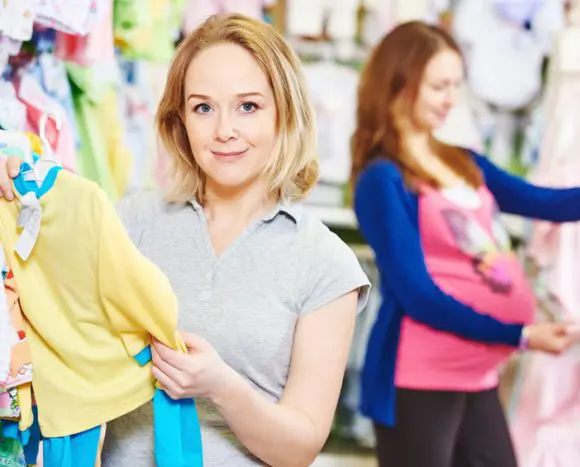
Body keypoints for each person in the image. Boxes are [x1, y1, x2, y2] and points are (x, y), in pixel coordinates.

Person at [0, 13, 370, 467]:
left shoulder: (325, 263)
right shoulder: (131, 221)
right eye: (203, 107)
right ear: (180, 121)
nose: (224, 131)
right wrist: (16, 186)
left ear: (285, 112)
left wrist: (221, 386)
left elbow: (300, 447)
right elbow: (47, 314)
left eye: (248, 106)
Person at [351, 21, 580, 467]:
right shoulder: (382, 179)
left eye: (456, 85)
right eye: (439, 86)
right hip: (419, 376)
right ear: (400, 82)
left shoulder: (461, 160)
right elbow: (417, 296)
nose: (450, 99)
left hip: (475, 372)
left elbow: (543, 202)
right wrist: (518, 335)